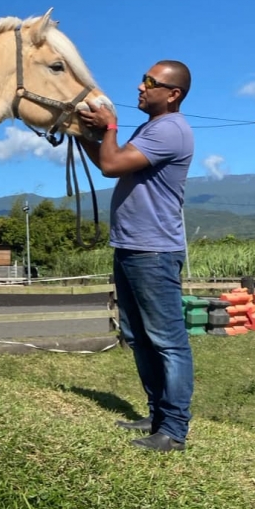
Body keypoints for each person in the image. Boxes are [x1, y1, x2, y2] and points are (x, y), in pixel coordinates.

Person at [77, 61, 195, 453]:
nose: (139, 86)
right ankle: (157, 415)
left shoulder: (170, 130)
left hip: (154, 251)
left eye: (150, 82)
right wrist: (81, 134)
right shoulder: (150, 128)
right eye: (143, 79)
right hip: (131, 246)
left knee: (167, 340)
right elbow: (111, 161)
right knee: (139, 337)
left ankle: (174, 430)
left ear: (173, 93)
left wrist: (109, 126)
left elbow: (110, 165)